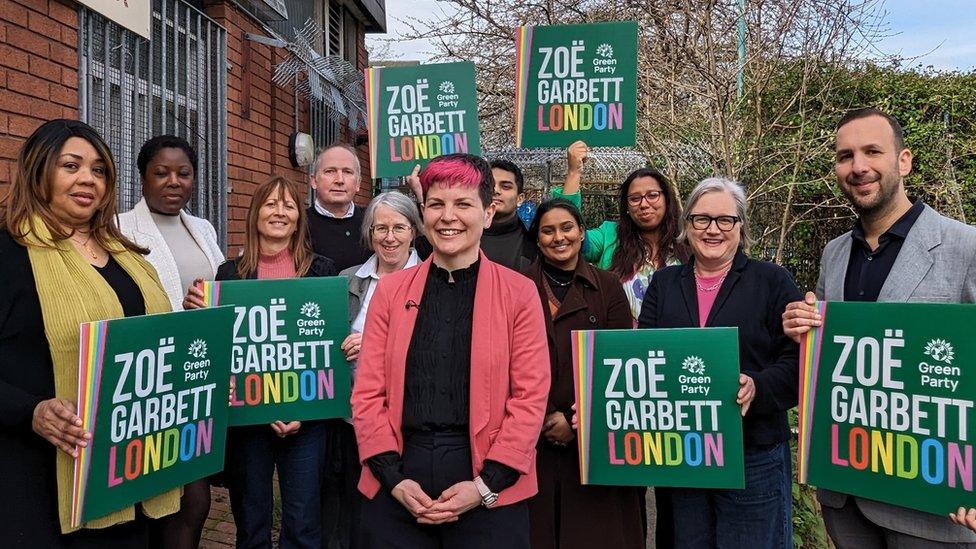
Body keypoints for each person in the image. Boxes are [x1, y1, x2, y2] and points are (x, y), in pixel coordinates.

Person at [782, 107, 976, 548]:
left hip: (931, 505)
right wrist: (805, 329)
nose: (858, 167)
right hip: (847, 497)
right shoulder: (835, 253)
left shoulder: (966, 246)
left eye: (872, 151)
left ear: (903, 161)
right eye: (845, 156)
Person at [351, 153, 550, 549]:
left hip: (488, 483)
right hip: (400, 478)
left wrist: (485, 486)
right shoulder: (390, 293)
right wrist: (393, 479)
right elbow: (368, 392)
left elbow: (530, 396)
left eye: (463, 204)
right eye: (437, 203)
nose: (448, 216)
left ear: (488, 212)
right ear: (423, 212)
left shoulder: (519, 293)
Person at [0, 119, 180, 546]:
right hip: (38, 478)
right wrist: (31, 411)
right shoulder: (9, 253)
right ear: (38, 171)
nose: (88, 179)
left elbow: (162, 343)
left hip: (131, 471)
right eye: (71, 165)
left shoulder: (129, 256)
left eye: (99, 170)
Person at [638, 177, 802, 548]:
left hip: (752, 455)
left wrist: (759, 386)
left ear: (740, 228)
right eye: (701, 219)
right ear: (686, 226)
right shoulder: (664, 284)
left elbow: (798, 362)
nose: (713, 229)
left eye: (725, 220)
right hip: (683, 453)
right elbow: (644, 357)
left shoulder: (772, 281)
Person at [185, 176, 337, 549]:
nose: (279, 212)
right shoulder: (228, 275)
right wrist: (200, 314)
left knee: (302, 523)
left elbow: (327, 350)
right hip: (248, 419)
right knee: (251, 521)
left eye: (288, 205)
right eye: (270, 204)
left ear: (298, 218)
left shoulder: (322, 272)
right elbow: (221, 349)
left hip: (307, 418)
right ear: (255, 215)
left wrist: (303, 408)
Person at [117, 135, 224, 549]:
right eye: (161, 173)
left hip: (197, 375)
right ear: (143, 179)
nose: (174, 181)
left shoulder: (203, 228)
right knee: (156, 497)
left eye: (184, 173)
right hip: (153, 379)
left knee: (194, 500)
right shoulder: (120, 227)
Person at [523, 199, 643, 549]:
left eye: (567, 228)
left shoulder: (607, 286)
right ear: (537, 239)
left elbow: (619, 362)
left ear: (580, 232)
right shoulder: (516, 286)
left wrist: (578, 419)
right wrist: (546, 416)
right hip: (534, 435)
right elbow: (508, 361)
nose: (558, 237)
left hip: (594, 435)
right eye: (548, 230)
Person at [323, 191, 422, 549]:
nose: (389, 237)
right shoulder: (349, 279)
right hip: (352, 418)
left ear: (414, 231)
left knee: (399, 509)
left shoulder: (432, 280)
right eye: (380, 228)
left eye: (399, 227)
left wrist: (376, 341)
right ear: (369, 233)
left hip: (406, 418)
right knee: (354, 506)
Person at [554, 140, 688, 321]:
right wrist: (573, 172)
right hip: (620, 346)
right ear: (626, 206)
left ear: (667, 199)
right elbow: (568, 233)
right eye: (634, 198)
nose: (644, 204)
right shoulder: (609, 235)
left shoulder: (687, 240)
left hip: (677, 345)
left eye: (652, 195)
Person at [409, 158, 536, 271]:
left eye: (506, 186)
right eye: (491, 185)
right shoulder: (443, 236)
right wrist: (422, 195)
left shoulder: (534, 244)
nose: (495, 191)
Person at [307, 143, 371, 271]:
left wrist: (421, 196)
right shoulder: (297, 224)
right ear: (314, 181)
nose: (339, 180)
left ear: (358, 183)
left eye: (347, 172)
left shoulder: (372, 221)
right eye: (330, 171)